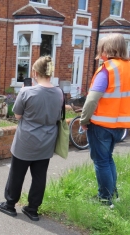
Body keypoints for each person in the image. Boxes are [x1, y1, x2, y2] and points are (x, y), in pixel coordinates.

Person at [0, 56, 62, 221]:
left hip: (26, 140)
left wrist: (24, 92)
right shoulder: (59, 92)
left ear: (35, 72)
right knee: (40, 176)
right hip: (47, 141)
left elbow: (17, 115)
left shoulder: (27, 91)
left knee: (17, 173)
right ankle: (32, 209)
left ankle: (10, 205)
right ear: (50, 72)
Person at [80, 33, 130, 207]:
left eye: (101, 48)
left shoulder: (108, 69)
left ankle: (104, 199)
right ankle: (112, 195)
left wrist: (84, 120)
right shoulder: (128, 67)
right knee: (108, 159)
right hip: (120, 125)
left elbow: (92, 99)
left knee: (101, 161)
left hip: (101, 125)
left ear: (107, 49)